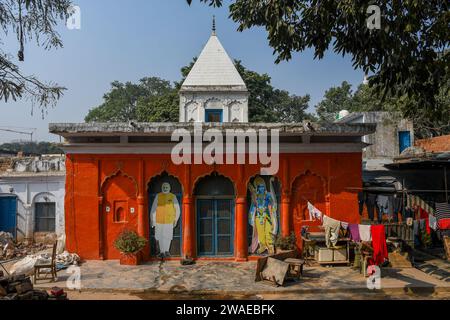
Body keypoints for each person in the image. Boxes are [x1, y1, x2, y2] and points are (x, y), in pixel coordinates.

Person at [248, 176, 278, 255]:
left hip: (266, 216)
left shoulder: (267, 195)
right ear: (257, 187)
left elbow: (272, 204)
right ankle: (262, 246)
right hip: (258, 216)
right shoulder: (256, 196)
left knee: (268, 231)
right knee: (260, 232)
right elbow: (253, 205)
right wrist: (252, 214)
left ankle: (270, 247)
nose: (261, 188)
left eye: (262, 186)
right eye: (259, 187)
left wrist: (272, 211)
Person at [150, 182, 181, 258]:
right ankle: (162, 252)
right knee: (160, 236)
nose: (165, 189)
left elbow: (177, 209)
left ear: (169, 188)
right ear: (162, 188)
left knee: (168, 236)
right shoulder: (158, 196)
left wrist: (175, 219)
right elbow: (153, 209)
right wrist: (153, 220)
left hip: (169, 220)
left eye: (167, 187)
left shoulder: (173, 196)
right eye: (164, 187)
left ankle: (167, 251)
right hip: (159, 220)